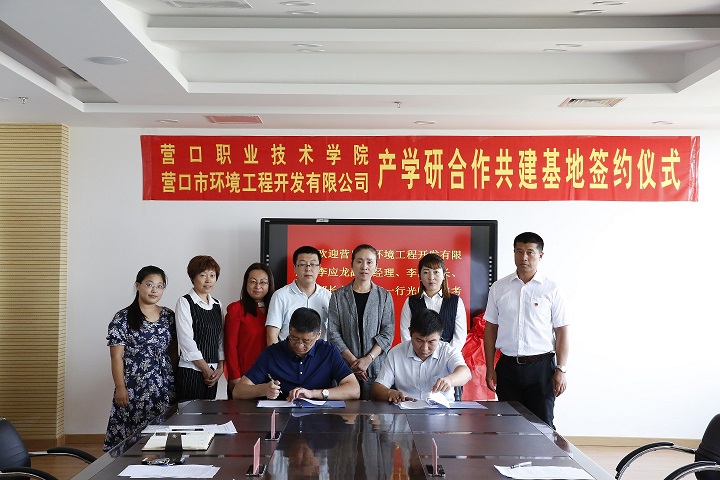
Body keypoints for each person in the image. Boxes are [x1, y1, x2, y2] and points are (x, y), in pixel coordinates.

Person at [483, 231, 569, 429]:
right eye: (519, 251)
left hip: (541, 368)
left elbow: (562, 331)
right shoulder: (499, 287)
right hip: (507, 367)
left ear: (540, 255)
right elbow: (491, 328)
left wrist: (561, 369)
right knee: (508, 426)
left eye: (530, 252)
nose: (524, 257)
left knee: (543, 426)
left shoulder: (552, 289)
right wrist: (490, 368)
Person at [103, 266, 176, 452]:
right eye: (149, 284)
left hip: (164, 387)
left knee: (161, 439)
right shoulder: (122, 317)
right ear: (138, 285)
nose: (154, 290)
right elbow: (116, 356)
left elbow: (174, 352)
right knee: (132, 442)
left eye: (160, 286)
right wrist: (120, 387)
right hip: (134, 388)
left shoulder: (168, 316)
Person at [233, 307, 360, 400]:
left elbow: (354, 390)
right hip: (282, 419)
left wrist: (314, 394)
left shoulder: (328, 352)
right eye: (294, 338)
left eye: (306, 341)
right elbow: (238, 391)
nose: (299, 345)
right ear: (289, 330)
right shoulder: (272, 353)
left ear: (318, 335)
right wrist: (264, 389)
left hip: (320, 419)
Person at [327, 244, 395, 399]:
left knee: (375, 410)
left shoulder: (384, 296)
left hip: (376, 366)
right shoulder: (338, 296)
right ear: (351, 264)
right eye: (359, 261)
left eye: (369, 262)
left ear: (376, 266)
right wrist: (353, 361)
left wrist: (368, 359)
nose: (364, 266)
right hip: (345, 366)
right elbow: (333, 333)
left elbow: (388, 333)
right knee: (346, 411)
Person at [372, 308, 471, 404]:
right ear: (410, 332)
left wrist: (450, 380)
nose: (424, 348)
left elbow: (466, 373)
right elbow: (377, 389)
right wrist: (389, 393)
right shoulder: (396, 353)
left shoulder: (448, 351)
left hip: (442, 411)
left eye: (431, 342)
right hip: (407, 409)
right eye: (419, 340)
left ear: (440, 336)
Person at [175, 255, 224, 401]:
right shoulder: (185, 302)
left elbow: (220, 338)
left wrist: (220, 368)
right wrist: (204, 368)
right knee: (189, 413)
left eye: (212, 275)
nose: (208, 280)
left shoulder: (217, 305)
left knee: (209, 413)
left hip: (213, 372)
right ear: (193, 278)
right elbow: (186, 340)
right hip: (191, 370)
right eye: (203, 275)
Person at [224, 262, 275, 399]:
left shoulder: (275, 310)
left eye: (263, 282)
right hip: (244, 378)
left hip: (271, 377)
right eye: (253, 281)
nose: (258, 286)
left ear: (269, 284)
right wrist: (234, 377)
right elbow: (230, 346)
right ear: (245, 283)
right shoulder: (236, 309)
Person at [399, 253, 467, 350]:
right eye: (426, 272)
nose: (431, 277)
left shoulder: (456, 302)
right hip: (417, 355)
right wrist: (418, 353)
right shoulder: (411, 302)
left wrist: (446, 355)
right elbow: (405, 333)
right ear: (420, 276)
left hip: (447, 356)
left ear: (444, 275)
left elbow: (460, 337)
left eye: (436, 272)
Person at [266, 245, 331, 345]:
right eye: (303, 264)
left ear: (319, 268)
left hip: (320, 354)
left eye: (313, 264)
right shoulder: (280, 296)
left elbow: (334, 333)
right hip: (288, 353)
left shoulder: (328, 296)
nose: (308, 269)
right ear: (295, 268)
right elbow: (272, 335)